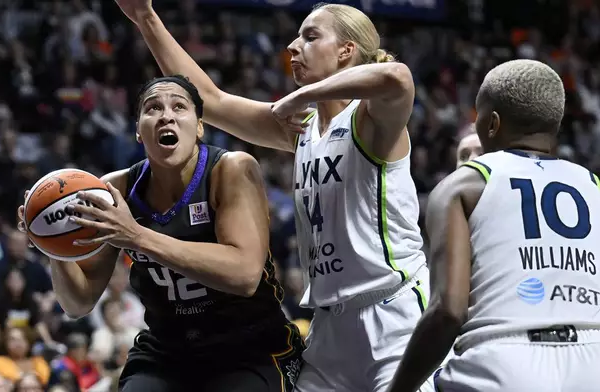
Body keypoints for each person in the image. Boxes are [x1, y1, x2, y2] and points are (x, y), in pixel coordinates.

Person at [115, 1, 434, 391]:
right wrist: (146, 17)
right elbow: (211, 102)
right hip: (331, 325)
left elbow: (397, 77)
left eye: (310, 36)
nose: (292, 46)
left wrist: (301, 97)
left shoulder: (370, 120)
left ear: (346, 51)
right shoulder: (301, 128)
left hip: (393, 313)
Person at [17, 76, 304, 392]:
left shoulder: (232, 169)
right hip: (169, 349)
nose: (166, 115)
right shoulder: (115, 189)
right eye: (153, 107)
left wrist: (136, 235)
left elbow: (245, 274)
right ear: (139, 131)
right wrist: (56, 246)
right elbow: (78, 302)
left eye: (179, 106)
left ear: (198, 127)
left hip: (250, 344)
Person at [386, 59, 600, 392]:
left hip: (503, 360)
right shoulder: (594, 186)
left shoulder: (463, 185)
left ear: (492, 123)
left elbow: (448, 313)